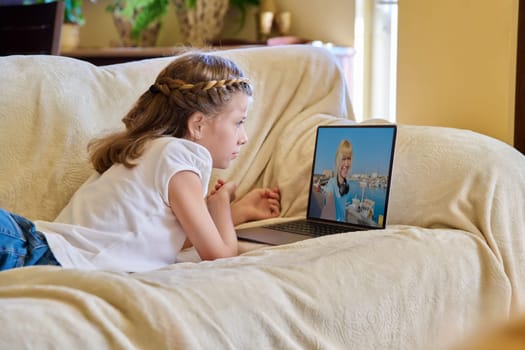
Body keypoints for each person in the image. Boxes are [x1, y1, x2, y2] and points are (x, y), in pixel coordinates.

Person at [0, 52, 281, 272]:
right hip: (32, 252)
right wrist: (221, 204)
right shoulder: (179, 157)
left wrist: (235, 214)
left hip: (27, 244)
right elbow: (219, 256)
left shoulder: (149, 150)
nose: (244, 137)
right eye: (239, 122)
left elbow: (161, 237)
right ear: (198, 124)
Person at [320, 139, 353, 222]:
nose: (346, 163)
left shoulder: (346, 185)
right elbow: (329, 204)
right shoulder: (331, 183)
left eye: (348, 159)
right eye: (343, 159)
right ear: (338, 160)